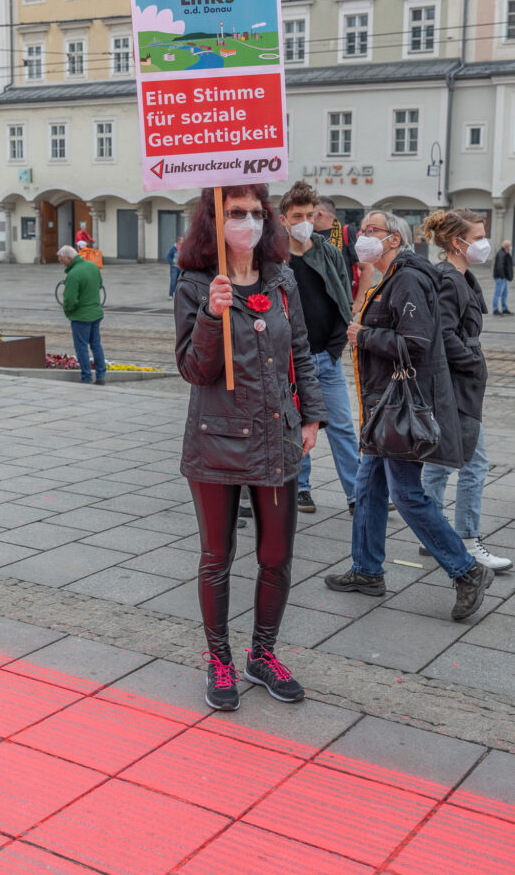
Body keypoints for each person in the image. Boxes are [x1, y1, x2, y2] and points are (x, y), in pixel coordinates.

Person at [175, 183, 327, 710]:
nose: (246, 222)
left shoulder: (282, 281)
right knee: (217, 557)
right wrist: (212, 316)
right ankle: (218, 660)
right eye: (234, 212)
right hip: (215, 441)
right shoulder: (196, 286)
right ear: (213, 223)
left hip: (277, 438)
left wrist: (313, 417)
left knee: (277, 556)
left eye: (254, 212)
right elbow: (195, 371)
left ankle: (262, 655)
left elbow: (301, 351)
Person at [324, 211, 494, 622]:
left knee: (405, 493)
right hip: (383, 405)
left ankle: (466, 570)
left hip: (401, 406)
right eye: (361, 230)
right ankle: (367, 571)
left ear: (395, 240)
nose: (362, 236)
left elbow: (417, 341)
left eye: (372, 231)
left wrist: (364, 336)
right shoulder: (388, 278)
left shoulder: (407, 278)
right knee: (368, 487)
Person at [421, 210, 511, 572]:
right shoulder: (449, 278)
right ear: (457, 242)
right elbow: (443, 335)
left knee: (440, 466)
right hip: (456, 388)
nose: (484, 242)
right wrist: (472, 364)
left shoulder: (459, 275)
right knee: (474, 464)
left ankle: (432, 533)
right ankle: (468, 539)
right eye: (478, 236)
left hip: (456, 387)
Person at [278, 181, 359, 515]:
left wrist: (334, 348)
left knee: (342, 426)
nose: (305, 221)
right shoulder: (275, 257)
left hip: (325, 357)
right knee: (297, 426)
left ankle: (359, 495)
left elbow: (342, 297)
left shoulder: (327, 251)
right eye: (298, 215)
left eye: (310, 215)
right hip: (290, 361)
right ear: (284, 219)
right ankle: (302, 489)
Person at [313, 196, 373, 316]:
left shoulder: (346, 232)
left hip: (341, 305)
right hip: (314, 305)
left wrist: (357, 304)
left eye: (309, 213)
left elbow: (367, 268)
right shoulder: (309, 236)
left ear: (319, 214)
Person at [57, 245, 106, 385]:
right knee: (96, 344)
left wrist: (68, 312)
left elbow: (69, 299)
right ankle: (101, 375)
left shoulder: (73, 274)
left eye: (61, 260)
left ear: (69, 258)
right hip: (96, 313)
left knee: (81, 347)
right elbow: (99, 284)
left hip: (81, 316)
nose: (61, 263)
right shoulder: (92, 266)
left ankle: (86, 376)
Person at [492, 240, 513, 316]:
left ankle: (504, 309)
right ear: (507, 247)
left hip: (504, 278)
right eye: (510, 246)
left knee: (505, 293)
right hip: (501, 278)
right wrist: (503, 276)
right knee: (498, 294)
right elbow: (500, 266)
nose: (511, 247)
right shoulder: (501, 254)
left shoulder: (506, 253)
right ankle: (495, 309)